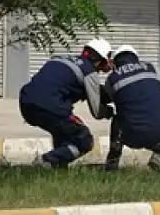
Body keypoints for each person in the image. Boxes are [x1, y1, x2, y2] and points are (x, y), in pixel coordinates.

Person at [19, 38, 113, 168]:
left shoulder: (61, 59)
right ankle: (46, 162)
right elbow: (96, 112)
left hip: (26, 102)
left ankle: (58, 169)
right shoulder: (89, 73)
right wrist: (109, 111)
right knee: (84, 140)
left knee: (63, 134)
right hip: (51, 106)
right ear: (101, 59)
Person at [102, 44, 160, 176]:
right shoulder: (151, 67)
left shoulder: (112, 78)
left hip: (131, 135)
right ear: (136, 58)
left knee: (117, 119)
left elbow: (107, 96)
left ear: (116, 61)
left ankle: (112, 165)